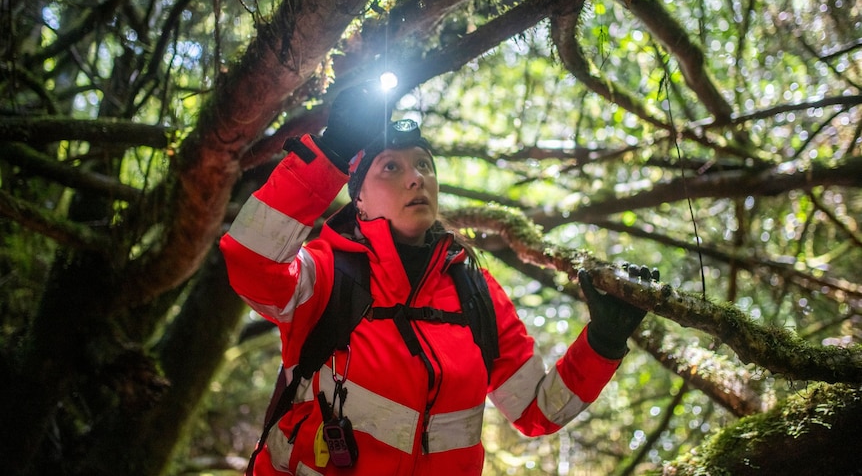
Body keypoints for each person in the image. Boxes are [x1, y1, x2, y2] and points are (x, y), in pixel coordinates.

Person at [219, 82, 655, 476]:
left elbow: (537, 410)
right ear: (360, 200)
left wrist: (602, 344)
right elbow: (250, 262)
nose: (415, 178)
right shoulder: (327, 272)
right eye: (390, 167)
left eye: (424, 165)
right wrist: (332, 152)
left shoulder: (478, 293)